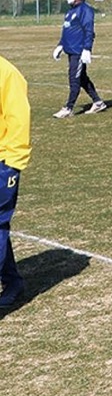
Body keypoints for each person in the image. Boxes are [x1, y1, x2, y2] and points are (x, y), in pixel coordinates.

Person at [0, 53, 32, 308]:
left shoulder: (7, 73)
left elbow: (19, 121)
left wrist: (12, 165)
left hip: (2, 164)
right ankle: (12, 281)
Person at [51, 0, 107, 119]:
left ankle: (68, 108)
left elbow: (89, 31)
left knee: (74, 79)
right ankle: (98, 102)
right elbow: (67, 31)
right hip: (71, 51)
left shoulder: (85, 10)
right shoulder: (70, 12)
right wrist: (60, 45)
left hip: (78, 51)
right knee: (82, 78)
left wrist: (87, 49)